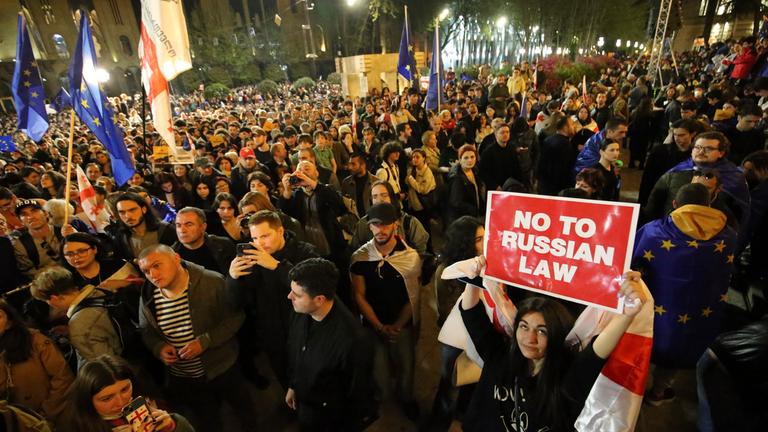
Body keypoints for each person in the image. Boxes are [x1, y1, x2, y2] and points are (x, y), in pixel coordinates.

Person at [458, 262, 648, 431]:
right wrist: (473, 277)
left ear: (557, 335)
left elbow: (597, 352)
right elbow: (471, 313)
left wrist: (628, 313)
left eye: (542, 331)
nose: (529, 338)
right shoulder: (499, 356)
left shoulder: (568, 375)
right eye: (524, 327)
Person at [632, 183, 736, 406]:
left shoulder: (653, 232)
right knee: (678, 347)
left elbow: (633, 264)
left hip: (654, 308)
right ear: (709, 205)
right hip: (698, 309)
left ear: (675, 204)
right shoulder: (728, 237)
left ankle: (632, 391)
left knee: (641, 343)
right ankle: (658, 392)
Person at [137, 245, 257, 432]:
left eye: (157, 265)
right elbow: (146, 329)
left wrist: (205, 341)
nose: (152, 274)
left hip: (222, 368)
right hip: (185, 377)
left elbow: (235, 317)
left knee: (244, 412)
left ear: (176, 259)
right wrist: (158, 347)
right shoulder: (147, 295)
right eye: (145, 271)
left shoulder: (211, 281)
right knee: (208, 421)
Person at [227, 210, 318, 388]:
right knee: (286, 380)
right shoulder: (251, 261)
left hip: (307, 332)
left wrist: (276, 266)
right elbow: (234, 303)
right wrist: (233, 278)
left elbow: (315, 290)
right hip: (273, 336)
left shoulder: (305, 251)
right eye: (254, 238)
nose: (259, 243)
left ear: (280, 231)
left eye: (265, 236)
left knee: (315, 379)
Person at [285, 258, 378, 431]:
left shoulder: (354, 340)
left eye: (296, 295)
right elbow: (297, 352)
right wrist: (293, 385)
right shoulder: (300, 311)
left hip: (330, 416)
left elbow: (357, 393)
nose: (289, 297)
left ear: (319, 299)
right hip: (305, 401)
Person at [350, 203, 421, 418]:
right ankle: (382, 398)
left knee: (407, 368)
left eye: (385, 224)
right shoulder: (361, 258)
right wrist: (379, 326)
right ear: (369, 227)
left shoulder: (410, 257)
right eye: (375, 225)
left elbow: (414, 297)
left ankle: (406, 399)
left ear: (396, 224)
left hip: (402, 325)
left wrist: (398, 326)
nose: (380, 230)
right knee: (379, 370)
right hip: (374, 325)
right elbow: (359, 295)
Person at [58, 354, 194, 432]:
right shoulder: (76, 426)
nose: (121, 401)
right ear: (87, 400)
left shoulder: (149, 403)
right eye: (107, 398)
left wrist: (173, 425)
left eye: (125, 389)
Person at [644, 131, 750, 226]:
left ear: (721, 153)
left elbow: (740, 215)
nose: (701, 152)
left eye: (708, 149)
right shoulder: (677, 171)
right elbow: (654, 204)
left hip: (711, 238)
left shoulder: (733, 177)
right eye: (697, 147)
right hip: (671, 233)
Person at [0, 299, 74, 423]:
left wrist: (45, 413)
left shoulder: (35, 341)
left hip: (51, 418)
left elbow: (62, 378)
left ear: (9, 321)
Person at [349, 181, 430, 256]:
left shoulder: (408, 222)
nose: (379, 200)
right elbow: (355, 250)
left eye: (384, 195)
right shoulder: (363, 224)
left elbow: (421, 252)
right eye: (375, 197)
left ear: (391, 198)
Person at [638, 118, 700, 207]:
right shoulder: (659, 151)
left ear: (693, 134)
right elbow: (647, 179)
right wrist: (643, 202)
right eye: (675, 135)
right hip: (659, 196)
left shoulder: (695, 155)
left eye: (682, 135)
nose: (677, 138)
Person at [109, 192, 177, 261]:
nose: (127, 216)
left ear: (144, 209)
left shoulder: (167, 230)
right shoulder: (121, 238)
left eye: (132, 210)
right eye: (122, 212)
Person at [171, 207, 235, 276]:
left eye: (189, 225)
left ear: (203, 227)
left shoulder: (224, 246)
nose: (182, 230)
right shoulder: (171, 254)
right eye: (178, 225)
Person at [536, 113, 577, 195]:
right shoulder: (565, 144)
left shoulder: (548, 139)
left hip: (544, 186)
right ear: (565, 127)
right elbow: (564, 171)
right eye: (572, 124)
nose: (574, 127)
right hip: (556, 189)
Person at [478, 123, 526, 191]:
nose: (505, 134)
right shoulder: (488, 152)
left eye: (507, 132)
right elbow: (482, 173)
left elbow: (517, 168)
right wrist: (495, 186)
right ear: (496, 134)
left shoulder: (512, 148)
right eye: (502, 132)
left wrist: (520, 183)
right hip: (495, 189)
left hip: (511, 187)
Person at [446, 144, 485, 225]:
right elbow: (456, 202)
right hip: (463, 219)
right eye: (466, 158)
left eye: (472, 157)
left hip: (473, 215)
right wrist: (474, 210)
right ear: (460, 160)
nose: (470, 160)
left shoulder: (474, 170)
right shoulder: (457, 178)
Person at [341, 153, 377, 218]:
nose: (350, 167)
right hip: (354, 222)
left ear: (363, 165)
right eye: (349, 164)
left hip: (372, 219)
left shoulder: (376, 182)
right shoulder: (346, 182)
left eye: (353, 164)